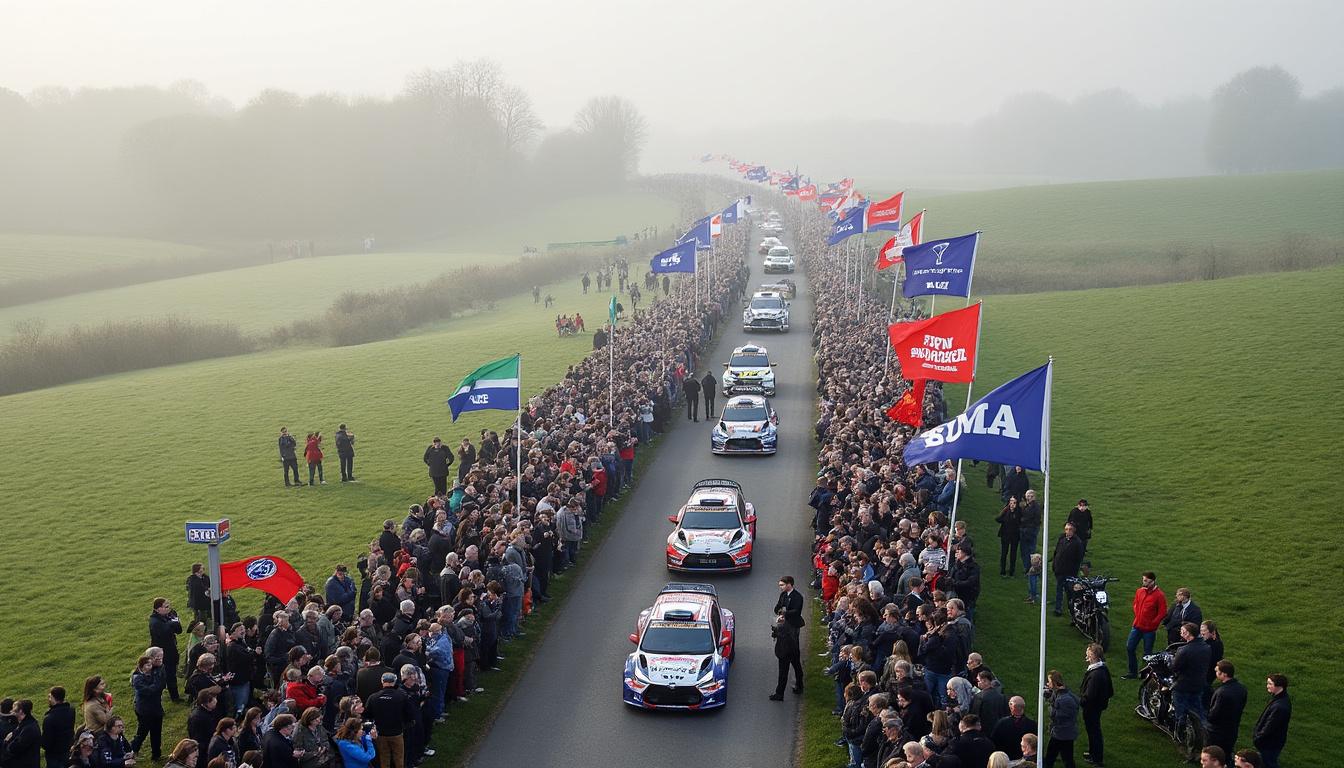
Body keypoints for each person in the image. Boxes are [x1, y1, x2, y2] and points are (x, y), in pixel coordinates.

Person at [363, 673, 415, 768]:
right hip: (397, 733)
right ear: (394, 682)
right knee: (399, 759)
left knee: (384, 759)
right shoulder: (402, 696)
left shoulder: (373, 697)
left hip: (381, 733)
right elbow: (410, 714)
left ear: (382, 682)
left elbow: (367, 715)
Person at [1123, 571, 1167, 679]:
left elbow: (1162, 612)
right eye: (1143, 580)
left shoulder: (1159, 595)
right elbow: (1135, 604)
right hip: (1137, 625)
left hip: (1149, 630)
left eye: (1146, 581)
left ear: (1153, 581)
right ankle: (1132, 672)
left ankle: (1145, 674)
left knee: (1147, 653)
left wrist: (1153, 623)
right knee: (1130, 647)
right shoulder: (1140, 591)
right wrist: (1138, 614)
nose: (1144, 582)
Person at [769, 576, 804, 701]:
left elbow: (796, 611)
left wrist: (785, 614)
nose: (781, 587)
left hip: (791, 630)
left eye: (782, 585)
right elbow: (778, 606)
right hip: (784, 629)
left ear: (789, 584)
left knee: (790, 664)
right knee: (795, 662)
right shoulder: (783, 595)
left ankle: (786, 690)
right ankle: (796, 686)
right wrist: (779, 612)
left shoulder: (797, 597)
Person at [1079, 643, 1113, 767]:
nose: (1086, 655)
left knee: (1094, 732)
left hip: (1092, 708)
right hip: (1097, 707)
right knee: (1093, 731)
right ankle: (1093, 753)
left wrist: (1079, 701)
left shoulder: (1096, 674)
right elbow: (1110, 690)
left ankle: (1097, 759)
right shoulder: (1103, 668)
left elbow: (1089, 696)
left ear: (1094, 656)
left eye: (1088, 653)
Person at [1172, 622, 1211, 731]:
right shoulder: (1206, 647)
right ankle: (1205, 730)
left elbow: (1175, 667)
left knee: (1180, 710)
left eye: (1182, 631)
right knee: (1198, 709)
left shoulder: (1184, 650)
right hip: (1199, 684)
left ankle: (1179, 730)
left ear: (1187, 634)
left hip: (1183, 685)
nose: (1181, 633)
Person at [1206, 660, 1248, 759]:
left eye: (1217, 671)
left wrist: (1208, 717)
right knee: (1227, 753)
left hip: (1217, 731)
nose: (1215, 673)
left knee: (1215, 756)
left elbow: (1214, 713)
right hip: (1233, 728)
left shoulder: (1221, 692)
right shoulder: (1241, 688)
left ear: (1224, 674)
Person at [130, 653, 166, 761]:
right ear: (141, 666)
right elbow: (149, 691)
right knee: (142, 733)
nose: (150, 667)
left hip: (155, 708)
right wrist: (157, 685)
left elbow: (160, 684)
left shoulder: (155, 672)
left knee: (156, 732)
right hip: (145, 710)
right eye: (147, 665)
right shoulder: (137, 678)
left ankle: (156, 755)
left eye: (151, 664)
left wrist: (157, 686)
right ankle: (132, 751)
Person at [1251, 675, 1291, 768]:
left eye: (1270, 684)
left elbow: (1269, 726)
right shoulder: (1280, 699)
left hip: (1270, 743)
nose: (1267, 686)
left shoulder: (1279, 706)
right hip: (1272, 742)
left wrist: (1258, 738)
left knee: (1269, 763)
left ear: (1279, 686)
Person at [1043, 669, 1079, 768]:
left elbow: (1055, 715)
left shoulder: (1065, 700)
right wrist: (1050, 695)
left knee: (1054, 758)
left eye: (1049, 681)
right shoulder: (1065, 692)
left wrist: (1049, 703)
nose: (1047, 683)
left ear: (1054, 682)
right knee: (1065, 757)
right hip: (1064, 732)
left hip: (1062, 733)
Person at [1050, 522, 1084, 617]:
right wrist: (1054, 565)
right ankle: (1058, 609)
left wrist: (1074, 573)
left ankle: (1073, 612)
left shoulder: (1077, 543)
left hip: (1070, 572)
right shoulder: (1062, 538)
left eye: (1070, 530)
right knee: (1059, 590)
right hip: (1059, 570)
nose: (1067, 532)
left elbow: (1079, 559)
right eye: (1066, 529)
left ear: (1074, 531)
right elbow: (1056, 552)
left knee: (1070, 593)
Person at [3, 699, 41, 768]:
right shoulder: (26, 724)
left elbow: (14, 748)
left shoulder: (28, 729)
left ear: (21, 711)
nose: (11, 710)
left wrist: (7, 741)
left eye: (14, 708)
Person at [42, 688, 74, 768]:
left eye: (50, 697)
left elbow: (47, 741)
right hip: (67, 748)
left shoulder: (49, 718)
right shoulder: (71, 711)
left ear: (53, 698)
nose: (48, 699)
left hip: (54, 754)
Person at [994, 496, 1021, 577]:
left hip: (1015, 535)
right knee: (1004, 553)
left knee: (1013, 553)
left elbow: (1019, 522)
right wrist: (1005, 511)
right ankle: (1002, 570)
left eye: (1014, 502)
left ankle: (1012, 571)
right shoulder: (1006, 511)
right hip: (1005, 535)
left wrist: (1013, 513)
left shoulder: (1019, 512)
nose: (1012, 504)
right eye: (1011, 502)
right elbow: (998, 519)